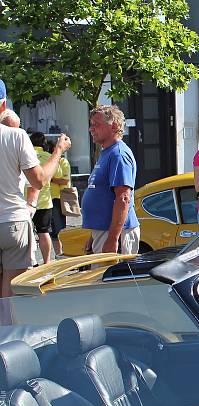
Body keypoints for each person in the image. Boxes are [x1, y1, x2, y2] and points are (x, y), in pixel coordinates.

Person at [0, 79, 71, 298]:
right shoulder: (15, 136)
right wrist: (58, 151)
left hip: (13, 219)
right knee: (11, 294)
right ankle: (6, 330)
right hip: (12, 220)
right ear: (4, 105)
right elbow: (39, 181)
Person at [82, 105, 140, 254]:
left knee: (112, 277)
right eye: (91, 124)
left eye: (97, 125)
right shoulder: (107, 152)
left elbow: (123, 198)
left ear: (113, 125)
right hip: (105, 232)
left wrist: (113, 239)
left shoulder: (118, 154)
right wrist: (94, 235)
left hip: (117, 234)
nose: (91, 129)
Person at [28, 132, 55, 264]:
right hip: (44, 201)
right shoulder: (49, 157)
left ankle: (30, 261)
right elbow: (58, 174)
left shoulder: (26, 155)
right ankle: (47, 262)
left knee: (26, 233)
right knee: (43, 232)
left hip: (26, 200)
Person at [47, 139, 71, 257]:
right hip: (48, 198)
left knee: (60, 228)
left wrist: (50, 178)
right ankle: (58, 254)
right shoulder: (48, 161)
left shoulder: (63, 162)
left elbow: (64, 180)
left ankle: (63, 252)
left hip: (59, 197)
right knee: (52, 230)